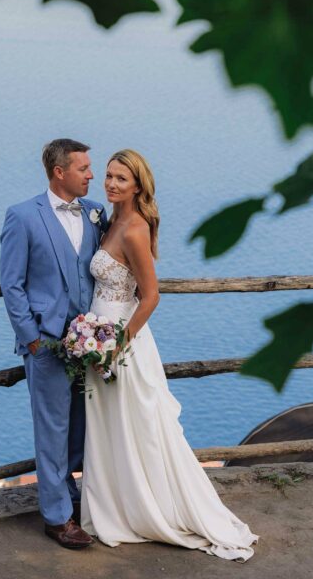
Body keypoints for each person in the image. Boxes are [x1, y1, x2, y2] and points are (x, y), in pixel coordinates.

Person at [81, 149, 258, 561]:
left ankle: (148, 509)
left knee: (138, 427)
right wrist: (92, 337)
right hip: (98, 337)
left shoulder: (134, 229)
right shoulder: (110, 220)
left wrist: (116, 345)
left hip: (120, 343)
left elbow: (151, 295)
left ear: (138, 185)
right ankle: (116, 508)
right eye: (108, 175)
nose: (110, 183)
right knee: (110, 428)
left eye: (121, 179)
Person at [0, 138, 107, 549]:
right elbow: (12, 283)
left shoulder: (95, 213)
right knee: (52, 430)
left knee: (81, 427)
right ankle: (58, 518)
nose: (92, 175)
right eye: (84, 168)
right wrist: (31, 340)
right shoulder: (23, 216)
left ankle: (72, 495)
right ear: (60, 172)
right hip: (46, 345)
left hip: (89, 344)